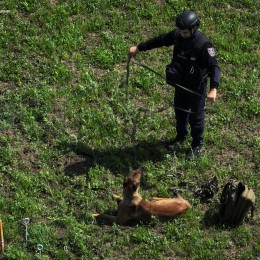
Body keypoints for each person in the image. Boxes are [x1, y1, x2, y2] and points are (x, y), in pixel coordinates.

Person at [129, 10, 221, 159]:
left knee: (195, 118)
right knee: (180, 113)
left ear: (194, 29)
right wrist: (139, 47)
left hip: (196, 89)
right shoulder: (178, 35)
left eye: (184, 32)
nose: (181, 34)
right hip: (180, 85)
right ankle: (181, 137)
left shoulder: (203, 44)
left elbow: (214, 67)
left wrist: (213, 88)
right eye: (180, 31)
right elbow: (160, 40)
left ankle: (197, 144)